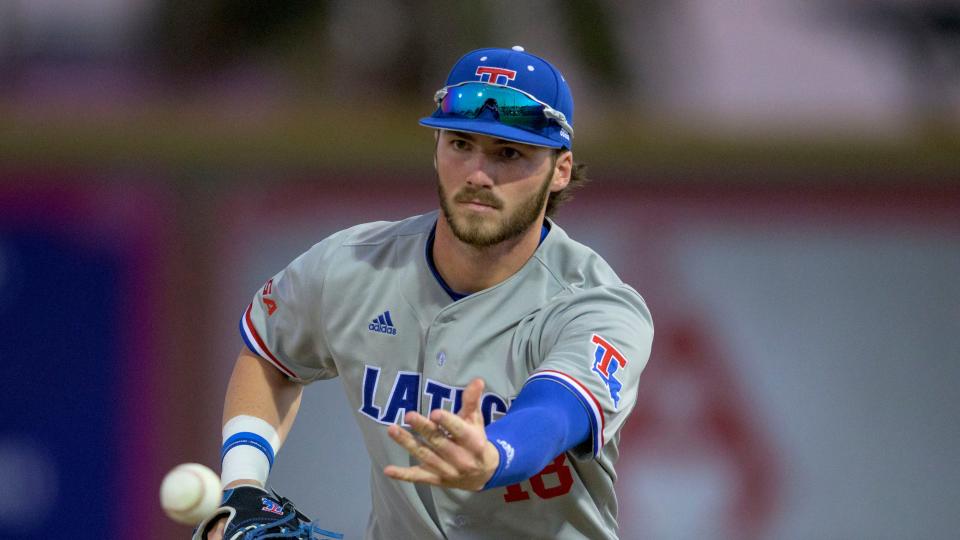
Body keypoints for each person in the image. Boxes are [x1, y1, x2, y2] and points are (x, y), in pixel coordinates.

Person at [198, 45, 653, 539]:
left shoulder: (596, 304)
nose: (479, 174)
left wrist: (497, 454)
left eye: (508, 153)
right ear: (436, 147)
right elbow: (270, 355)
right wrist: (242, 483)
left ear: (559, 169)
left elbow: (556, 410)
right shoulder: (353, 264)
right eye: (460, 143)